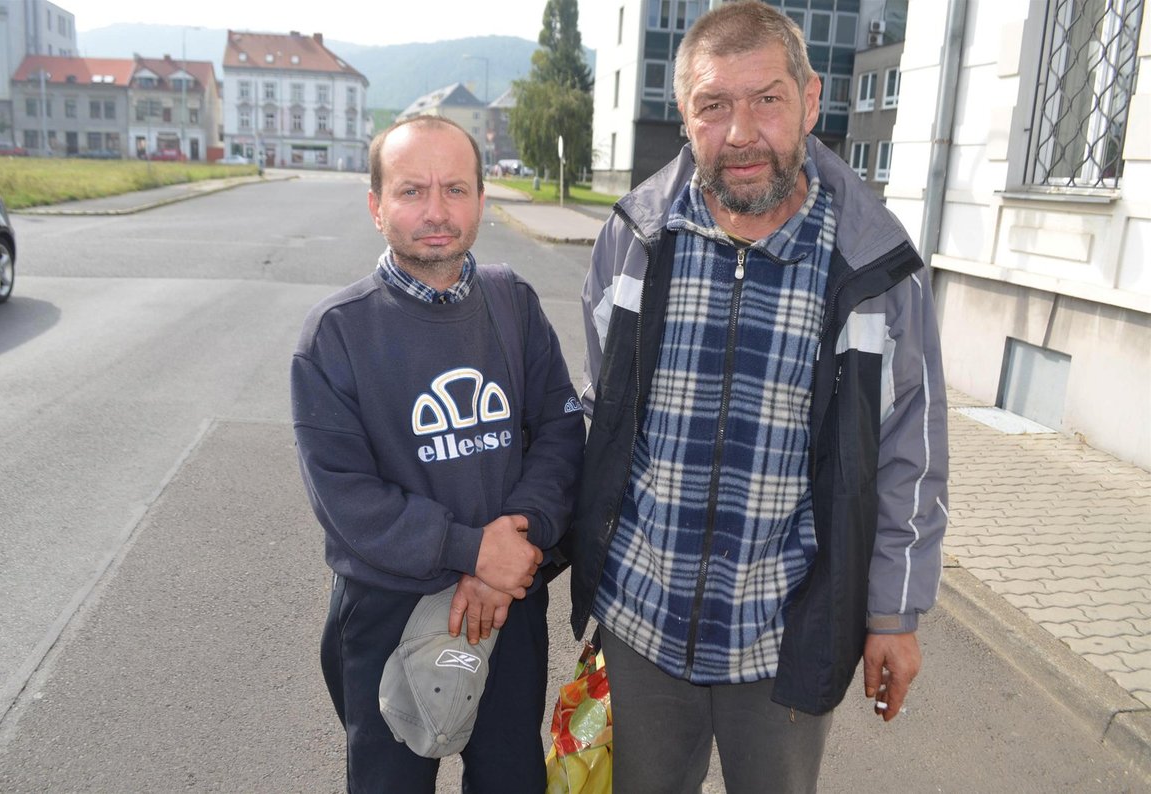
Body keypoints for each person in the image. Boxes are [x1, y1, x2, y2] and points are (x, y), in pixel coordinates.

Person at [571, 3, 949, 792]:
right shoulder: (634, 241)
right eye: (714, 105)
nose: (740, 132)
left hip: (785, 634)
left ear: (811, 100)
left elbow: (910, 453)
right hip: (640, 622)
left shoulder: (871, 268)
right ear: (684, 117)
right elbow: (598, 413)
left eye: (766, 99)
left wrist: (893, 615)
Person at [292, 115, 584, 793]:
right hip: (389, 609)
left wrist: (514, 544)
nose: (435, 211)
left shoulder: (513, 303)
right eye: (411, 191)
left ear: (483, 200)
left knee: (511, 780)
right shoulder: (335, 334)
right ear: (376, 206)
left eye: (455, 189)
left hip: (510, 602)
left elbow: (561, 432)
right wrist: (471, 550)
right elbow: (347, 500)